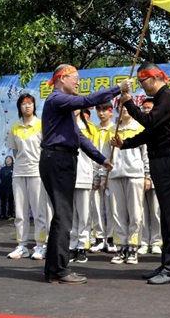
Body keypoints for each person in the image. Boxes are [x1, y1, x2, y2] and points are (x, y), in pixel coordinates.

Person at [39, 64, 131, 285]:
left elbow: (78, 136)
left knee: (62, 216)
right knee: (64, 215)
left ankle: (54, 269)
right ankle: (59, 270)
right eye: (75, 78)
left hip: (63, 159)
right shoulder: (56, 99)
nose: (78, 82)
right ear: (62, 79)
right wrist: (117, 88)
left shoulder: (63, 107)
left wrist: (101, 159)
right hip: (57, 159)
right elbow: (87, 100)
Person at [111, 62, 170, 285]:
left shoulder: (168, 97)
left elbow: (149, 121)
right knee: (166, 216)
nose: (141, 87)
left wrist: (128, 103)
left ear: (153, 78)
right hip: (160, 160)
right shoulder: (160, 101)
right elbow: (150, 133)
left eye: (142, 82)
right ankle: (166, 264)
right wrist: (124, 143)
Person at [100, 105, 150, 265]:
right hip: (115, 175)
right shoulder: (112, 131)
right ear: (117, 110)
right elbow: (105, 155)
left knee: (136, 213)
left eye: (128, 107)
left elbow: (146, 154)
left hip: (135, 174)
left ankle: (133, 247)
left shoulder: (140, 128)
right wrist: (103, 176)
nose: (125, 110)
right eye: (122, 107)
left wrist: (147, 176)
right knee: (117, 213)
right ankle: (120, 246)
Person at [6, 93, 51, 261]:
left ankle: (41, 245)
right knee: (20, 213)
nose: (27, 106)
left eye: (30, 103)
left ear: (34, 106)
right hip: (19, 172)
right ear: (19, 107)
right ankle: (22, 246)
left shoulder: (41, 125)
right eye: (24, 103)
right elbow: (15, 152)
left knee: (39, 211)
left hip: (37, 172)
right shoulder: (15, 128)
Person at [68, 109, 99, 264]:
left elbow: (96, 153)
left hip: (84, 174)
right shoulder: (63, 125)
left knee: (84, 214)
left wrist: (95, 175)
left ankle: (82, 246)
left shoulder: (90, 128)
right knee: (71, 215)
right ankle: (72, 246)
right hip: (68, 176)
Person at [90, 101, 117, 254]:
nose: (101, 113)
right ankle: (100, 238)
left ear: (110, 111)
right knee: (97, 207)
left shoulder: (115, 129)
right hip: (96, 174)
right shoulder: (94, 130)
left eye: (104, 110)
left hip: (111, 175)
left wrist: (107, 175)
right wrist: (96, 175)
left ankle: (111, 238)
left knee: (112, 208)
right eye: (98, 110)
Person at [138, 98, 163, 255]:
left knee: (155, 211)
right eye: (144, 108)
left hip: (154, 175)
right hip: (138, 177)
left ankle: (156, 241)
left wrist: (149, 176)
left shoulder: (159, 127)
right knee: (141, 212)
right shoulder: (138, 127)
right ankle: (143, 241)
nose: (146, 110)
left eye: (149, 108)